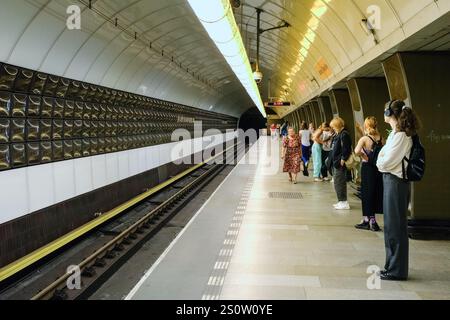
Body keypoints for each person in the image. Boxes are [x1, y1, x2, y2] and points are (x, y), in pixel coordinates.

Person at [376, 100, 421, 281]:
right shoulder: (397, 134)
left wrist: (381, 162)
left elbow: (385, 161)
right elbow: (382, 156)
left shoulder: (402, 136)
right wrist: (382, 160)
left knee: (396, 228)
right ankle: (391, 266)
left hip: (396, 183)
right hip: (391, 182)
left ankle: (397, 270)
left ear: (390, 113)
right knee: (391, 227)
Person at [354, 117, 383, 232]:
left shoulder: (364, 139)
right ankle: (374, 221)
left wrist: (364, 156)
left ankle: (367, 220)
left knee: (366, 193)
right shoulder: (381, 138)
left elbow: (356, 151)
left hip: (367, 168)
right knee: (375, 193)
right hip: (377, 168)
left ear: (366, 126)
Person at [330, 117, 352, 210]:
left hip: (340, 162)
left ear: (337, 125)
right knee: (337, 182)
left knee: (340, 182)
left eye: (334, 127)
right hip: (337, 162)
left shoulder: (344, 134)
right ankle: (340, 201)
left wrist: (343, 159)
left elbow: (346, 148)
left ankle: (344, 202)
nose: (333, 128)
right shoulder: (339, 134)